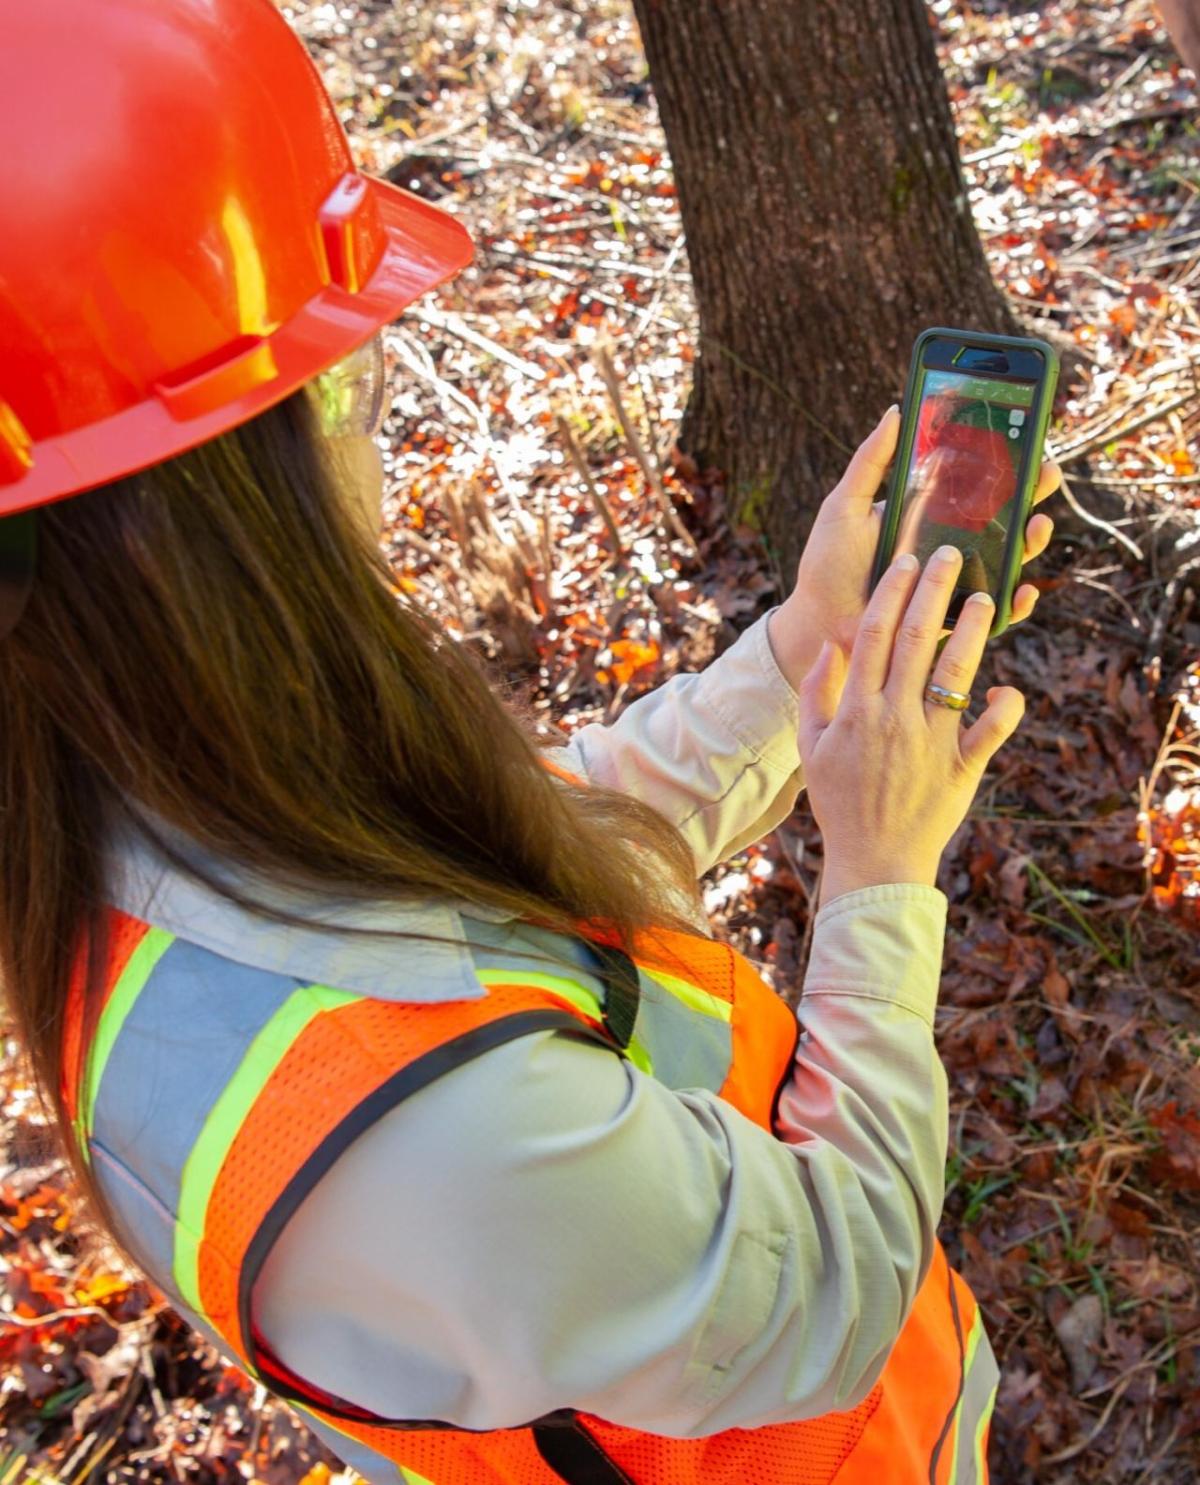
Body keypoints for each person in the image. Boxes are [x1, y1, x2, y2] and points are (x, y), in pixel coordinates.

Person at [1, 2, 1059, 1482]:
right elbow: (836, 1283)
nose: (357, 435)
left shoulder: (168, 797)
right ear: (187, 527)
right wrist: (883, 874)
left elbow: (543, 861)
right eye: (325, 387)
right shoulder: (413, 1145)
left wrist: (807, 642)